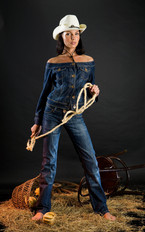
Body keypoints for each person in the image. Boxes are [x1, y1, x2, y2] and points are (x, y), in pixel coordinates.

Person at [31, 15, 116, 221]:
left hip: (74, 115)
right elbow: (45, 93)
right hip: (52, 113)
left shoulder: (88, 61)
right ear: (62, 36)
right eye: (69, 33)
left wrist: (95, 91)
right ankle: (42, 209)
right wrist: (37, 121)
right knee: (48, 162)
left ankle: (101, 208)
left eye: (76, 33)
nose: (73, 37)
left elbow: (90, 89)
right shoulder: (52, 62)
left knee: (90, 160)